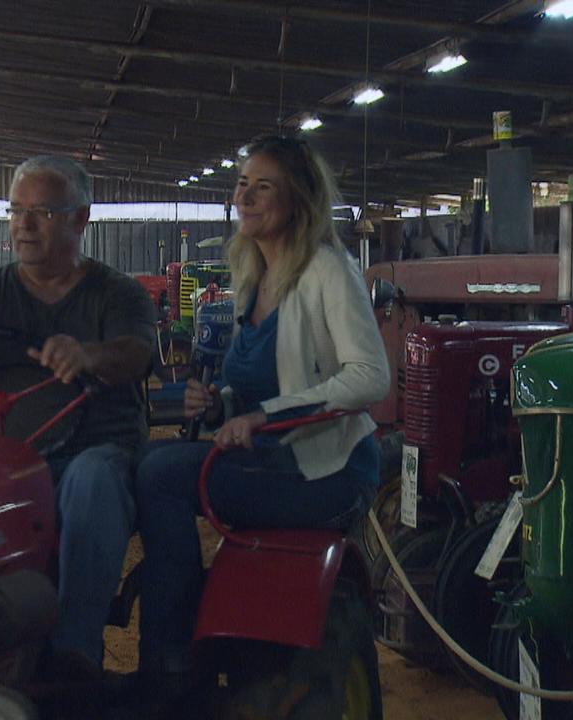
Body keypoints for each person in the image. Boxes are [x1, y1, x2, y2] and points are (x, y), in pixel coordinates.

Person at [133, 136, 389, 689]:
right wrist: (220, 401)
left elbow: (371, 376)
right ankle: (178, 625)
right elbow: (255, 382)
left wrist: (262, 416)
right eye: (242, 184)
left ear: (297, 199)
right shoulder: (253, 277)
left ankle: (170, 662)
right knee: (143, 461)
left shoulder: (327, 270)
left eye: (262, 186)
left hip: (326, 471)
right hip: (273, 457)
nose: (245, 196)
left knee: (159, 475)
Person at [0, 155, 157, 672]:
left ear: (80, 219)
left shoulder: (116, 294)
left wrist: (89, 355)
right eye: (15, 210)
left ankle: (75, 655)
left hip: (89, 456)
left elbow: (137, 354)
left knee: (92, 482)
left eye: (40, 212)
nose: (21, 225)